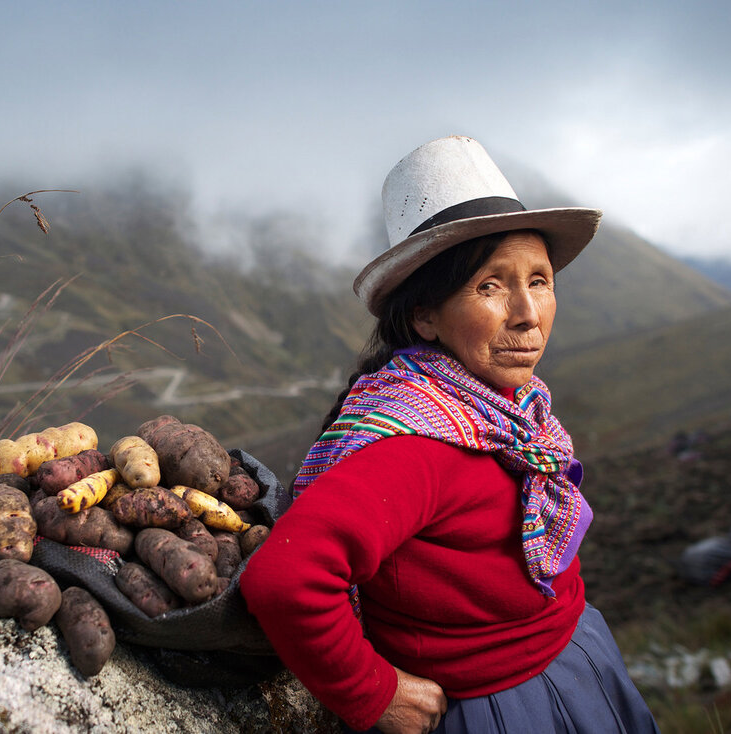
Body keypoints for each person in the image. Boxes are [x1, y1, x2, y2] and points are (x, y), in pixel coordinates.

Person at [238, 136, 659, 733]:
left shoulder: (511, 412)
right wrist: (373, 692)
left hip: (579, 660)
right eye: (489, 286)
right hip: (502, 709)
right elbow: (286, 577)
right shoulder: (416, 445)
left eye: (539, 280)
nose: (527, 313)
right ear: (424, 317)